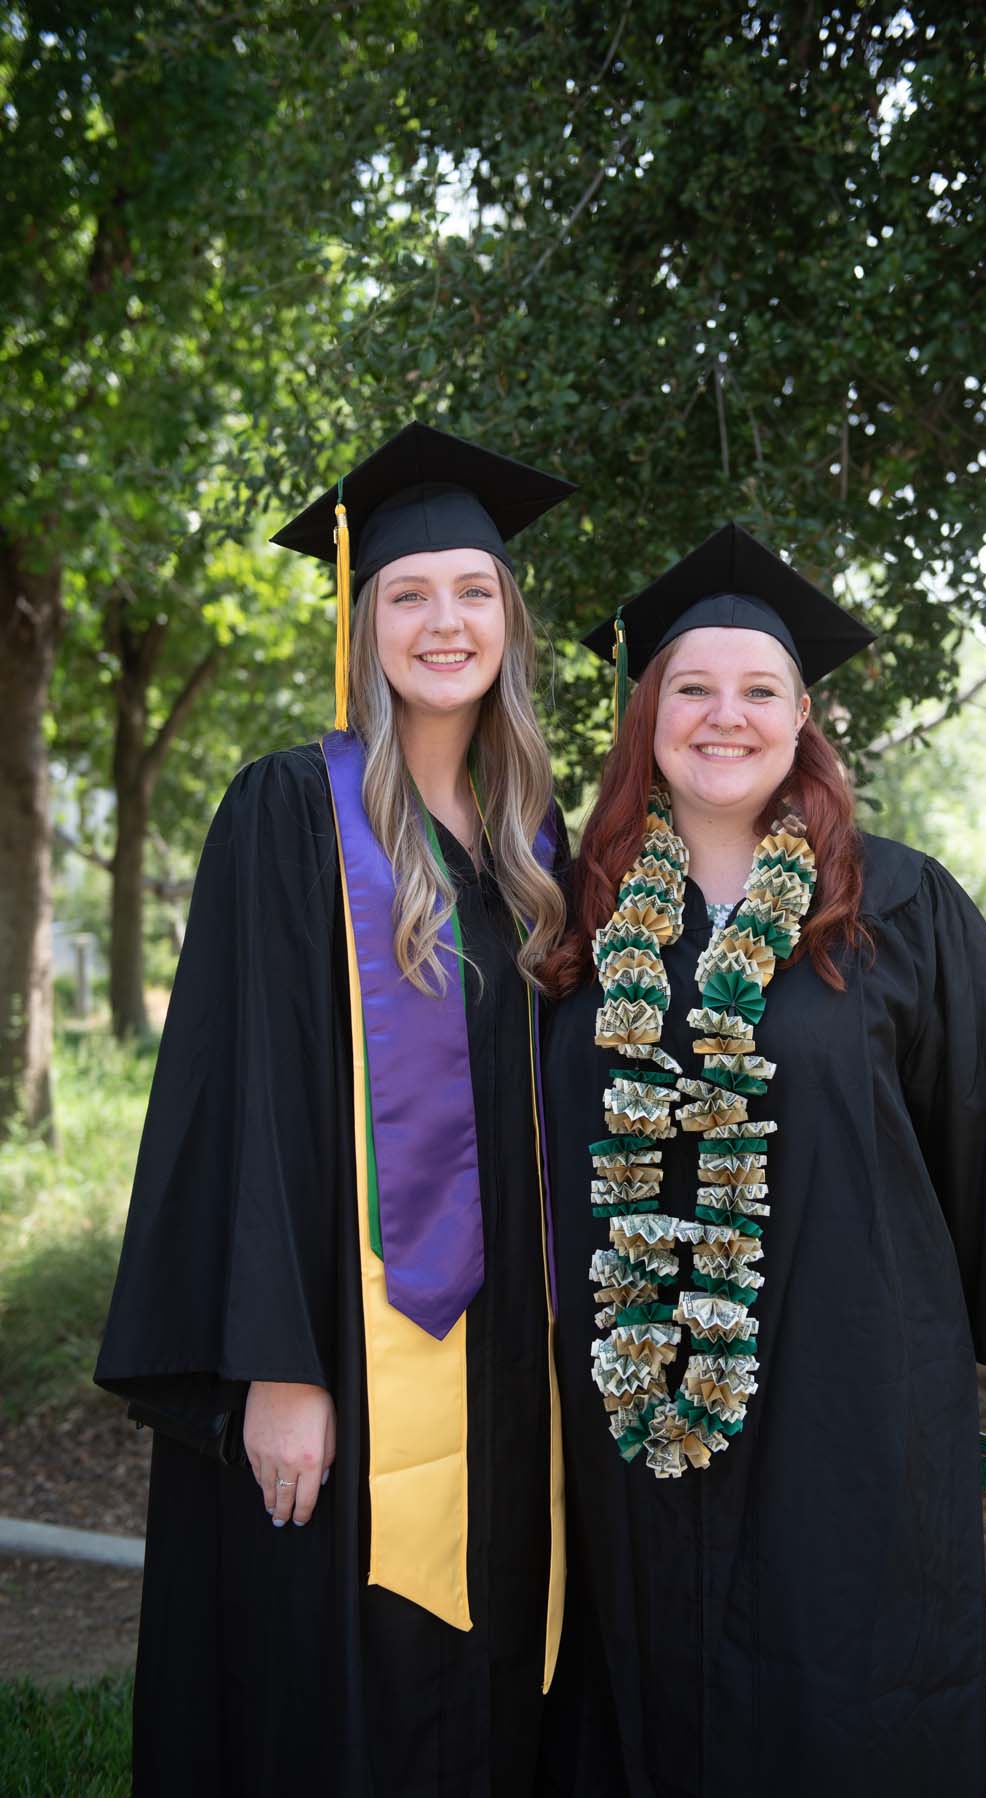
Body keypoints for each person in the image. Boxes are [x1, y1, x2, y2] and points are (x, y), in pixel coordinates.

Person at [536, 523, 986, 1797]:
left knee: (843, 1684)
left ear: (804, 718)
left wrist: (985, 1345)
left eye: (758, 689)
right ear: (646, 717)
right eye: (691, 686)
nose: (722, 716)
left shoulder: (897, 904)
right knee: (633, 1692)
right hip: (627, 1394)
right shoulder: (573, 909)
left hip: (852, 1384)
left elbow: (981, 1126)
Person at [95, 423, 577, 1796]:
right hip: (339, 1350)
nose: (445, 621)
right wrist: (277, 1365)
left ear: (510, 620)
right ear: (362, 621)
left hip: (506, 1363)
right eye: (409, 592)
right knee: (342, 1683)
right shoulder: (287, 816)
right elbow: (238, 1104)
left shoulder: (538, 848)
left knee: (489, 1671)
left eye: (473, 591)